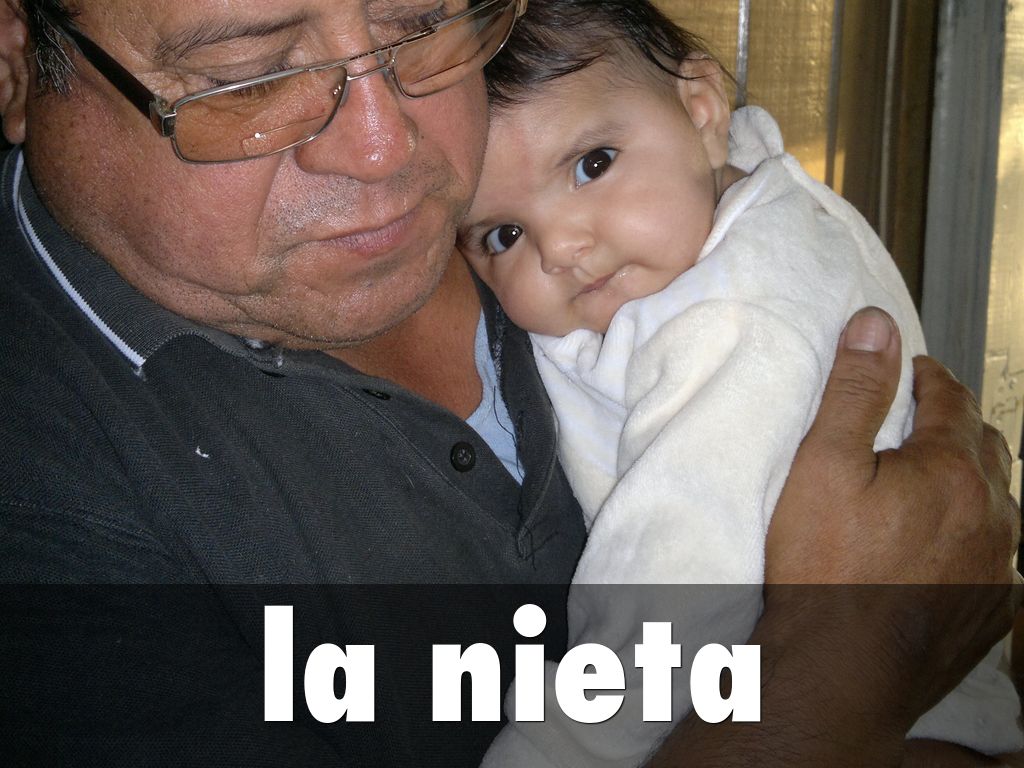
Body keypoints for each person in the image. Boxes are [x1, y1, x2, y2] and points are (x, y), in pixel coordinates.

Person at [0, 0, 1018, 766]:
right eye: (251, 76)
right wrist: (848, 668)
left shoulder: (660, 227)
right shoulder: (42, 492)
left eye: (424, 25)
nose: (386, 149)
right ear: (14, 61)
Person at [456, 2, 1023, 765]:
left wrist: (562, 747)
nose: (560, 247)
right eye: (503, 234)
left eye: (592, 164)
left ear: (701, 110)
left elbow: (680, 577)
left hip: (874, 712)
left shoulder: (728, 324)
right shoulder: (741, 194)